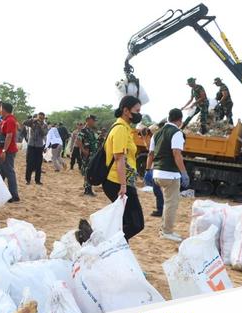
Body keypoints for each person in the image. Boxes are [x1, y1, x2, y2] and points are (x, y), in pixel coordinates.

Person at [103, 95, 145, 241]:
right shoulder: (120, 129)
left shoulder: (125, 128)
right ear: (126, 111)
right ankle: (107, 245)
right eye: (137, 110)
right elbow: (119, 158)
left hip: (123, 181)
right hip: (118, 182)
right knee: (136, 224)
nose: (139, 113)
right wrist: (123, 185)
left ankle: (117, 250)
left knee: (126, 222)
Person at [144, 108, 190, 242]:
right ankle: (167, 231)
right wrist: (184, 173)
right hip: (170, 174)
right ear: (180, 120)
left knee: (166, 202)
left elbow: (150, 154)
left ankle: (164, 229)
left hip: (156, 173)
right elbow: (176, 153)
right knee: (171, 204)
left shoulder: (156, 134)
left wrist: (148, 170)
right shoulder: (177, 133)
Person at [0, 102, 20, 202]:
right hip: (4, 150)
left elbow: (9, 135)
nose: (0, 110)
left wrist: (4, 151)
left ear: (4, 110)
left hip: (7, 151)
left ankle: (14, 195)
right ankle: (2, 193)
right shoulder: (6, 120)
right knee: (0, 172)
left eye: (1, 109)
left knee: (9, 172)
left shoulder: (10, 120)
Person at [23, 112, 48, 185]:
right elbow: (24, 122)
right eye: (39, 117)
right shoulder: (32, 122)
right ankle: (28, 180)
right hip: (31, 145)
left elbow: (44, 133)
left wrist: (40, 126)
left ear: (43, 118)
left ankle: (37, 180)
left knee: (38, 164)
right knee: (29, 163)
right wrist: (34, 119)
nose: (40, 119)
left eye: (41, 118)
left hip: (39, 146)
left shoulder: (45, 125)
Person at [77, 115, 99, 196]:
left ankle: (89, 188)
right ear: (88, 120)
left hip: (92, 154)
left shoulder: (90, 130)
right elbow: (78, 140)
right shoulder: (84, 130)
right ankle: (87, 190)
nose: (94, 122)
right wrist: (83, 150)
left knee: (90, 171)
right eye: (93, 120)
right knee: (87, 171)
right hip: (87, 154)